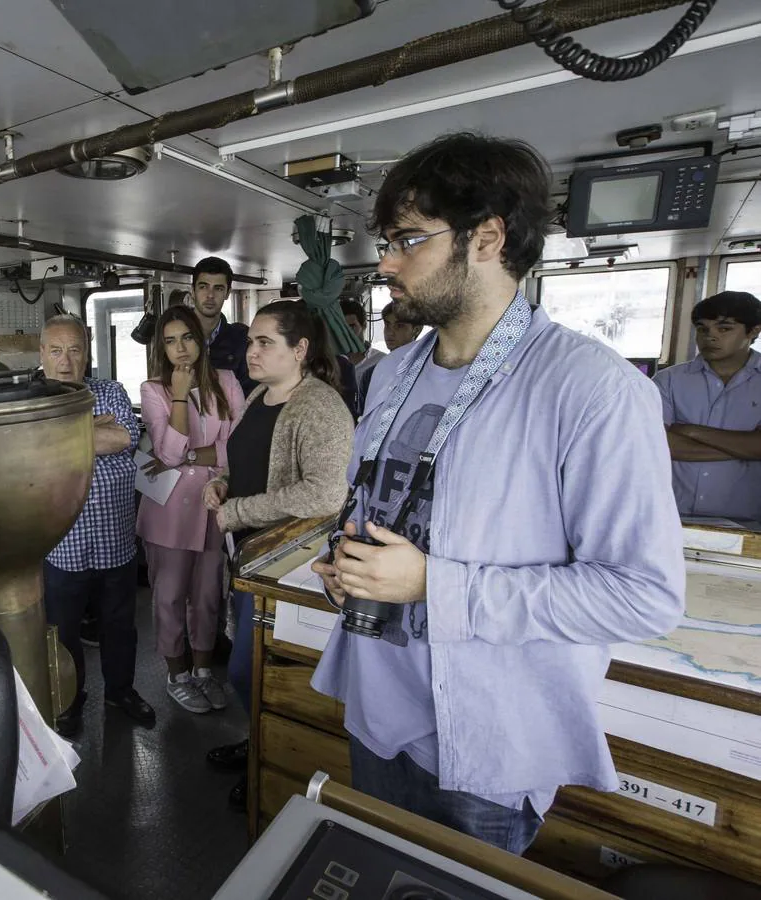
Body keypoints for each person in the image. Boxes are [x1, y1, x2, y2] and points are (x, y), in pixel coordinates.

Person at [308, 132, 684, 855]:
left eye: (407, 239)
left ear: (488, 237)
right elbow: (380, 502)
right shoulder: (391, 375)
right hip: (377, 714)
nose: (385, 262)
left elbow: (642, 594)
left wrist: (433, 585)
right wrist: (346, 560)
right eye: (385, 241)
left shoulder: (592, 389)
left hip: (481, 748)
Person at [201, 300, 355, 806]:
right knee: (251, 666)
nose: (252, 351)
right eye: (251, 341)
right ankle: (257, 745)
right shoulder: (259, 396)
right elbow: (241, 460)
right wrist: (223, 484)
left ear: (301, 349)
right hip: (253, 560)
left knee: (255, 669)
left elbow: (325, 496)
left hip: (291, 567)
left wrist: (239, 510)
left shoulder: (319, 407)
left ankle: (275, 765)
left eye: (265, 342)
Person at [40, 314, 154, 736]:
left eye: (74, 350)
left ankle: (120, 691)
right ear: (43, 355)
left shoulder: (110, 390)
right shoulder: (34, 400)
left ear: (86, 354)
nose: (66, 361)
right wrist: (95, 428)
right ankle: (67, 700)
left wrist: (64, 436)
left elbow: (124, 438)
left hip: (116, 539)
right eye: (56, 350)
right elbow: (38, 449)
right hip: (62, 544)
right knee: (63, 632)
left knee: (120, 625)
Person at [136, 306, 245, 713]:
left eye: (186, 338)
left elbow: (235, 447)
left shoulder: (227, 381)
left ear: (200, 341)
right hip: (169, 511)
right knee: (169, 596)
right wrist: (179, 395)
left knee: (207, 595)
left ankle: (202, 672)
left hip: (213, 503)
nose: (180, 349)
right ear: (161, 348)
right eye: (170, 341)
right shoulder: (154, 390)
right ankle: (176, 675)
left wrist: (193, 457)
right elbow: (167, 450)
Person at [654, 290, 761, 522]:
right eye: (703, 329)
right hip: (670, 517)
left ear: (754, 331)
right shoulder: (669, 380)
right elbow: (655, 443)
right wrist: (746, 449)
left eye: (724, 328)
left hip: (749, 524)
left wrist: (689, 430)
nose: (710, 337)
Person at [189, 256, 256, 395]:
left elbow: (251, 392)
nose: (210, 295)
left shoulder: (242, 338)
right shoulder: (174, 335)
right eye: (203, 287)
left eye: (218, 288)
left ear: (227, 293)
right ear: (193, 290)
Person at [358, 300, 426, 403]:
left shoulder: (427, 369)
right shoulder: (371, 374)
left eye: (399, 326)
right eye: (387, 325)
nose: (390, 332)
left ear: (416, 330)